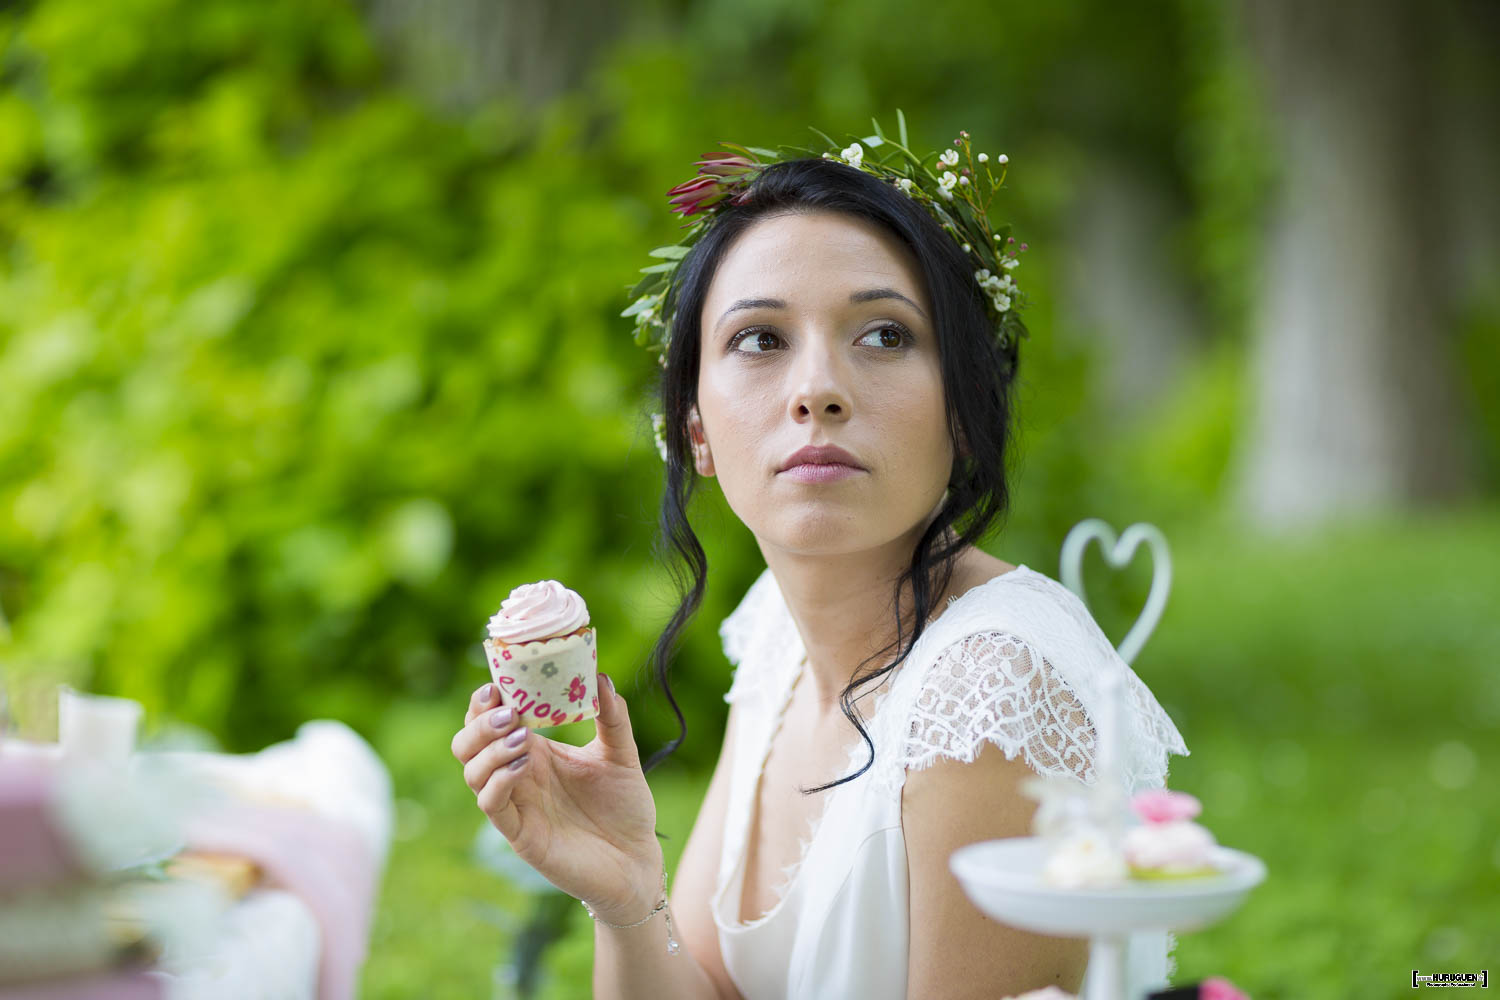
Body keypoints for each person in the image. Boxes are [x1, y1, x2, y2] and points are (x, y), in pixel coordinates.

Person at [451, 133, 1189, 999]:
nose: (818, 389)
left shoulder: (989, 689)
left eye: (883, 334)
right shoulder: (778, 630)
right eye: (760, 339)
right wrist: (625, 895)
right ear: (696, 430)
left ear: (961, 413)